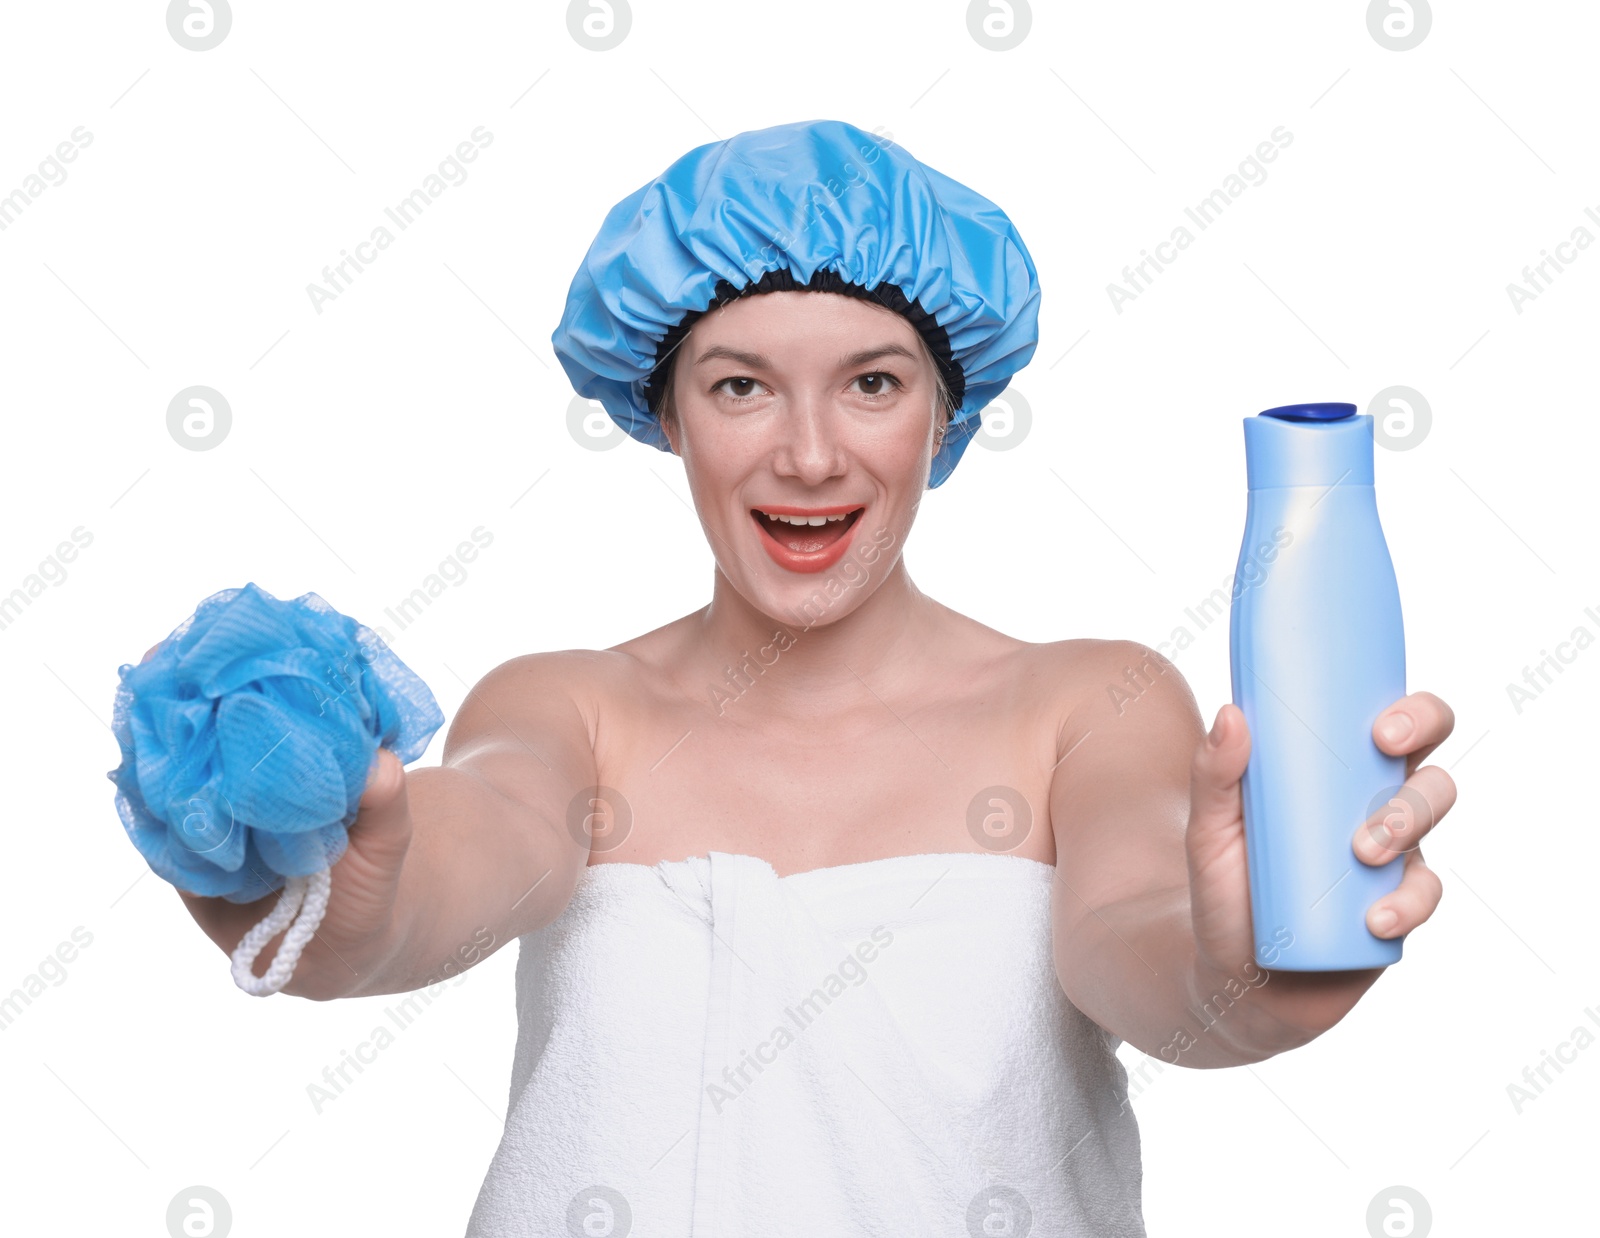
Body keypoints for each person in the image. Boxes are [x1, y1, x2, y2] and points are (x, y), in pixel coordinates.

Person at [172, 119, 1457, 1236]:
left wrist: (1248, 963)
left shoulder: (1082, 706)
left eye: (872, 384)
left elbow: (1149, 956)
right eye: (740, 387)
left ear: (943, 413)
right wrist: (325, 895)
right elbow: (442, 868)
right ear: (664, 412)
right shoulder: (572, 711)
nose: (806, 452)